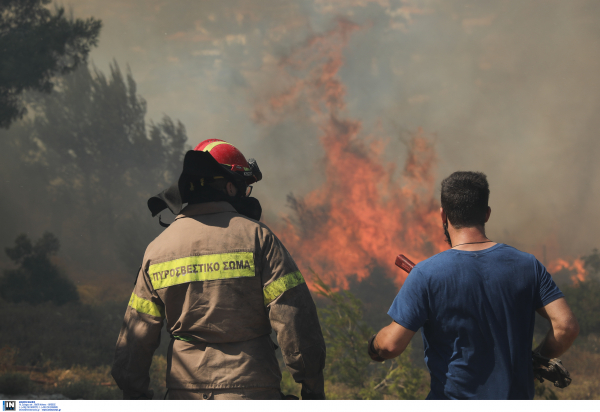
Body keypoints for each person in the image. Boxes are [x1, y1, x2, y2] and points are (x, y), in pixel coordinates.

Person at [111, 139, 326, 400]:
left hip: (184, 395)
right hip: (252, 391)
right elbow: (295, 320)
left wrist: (134, 395)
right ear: (228, 187)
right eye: (243, 188)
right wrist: (312, 387)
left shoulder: (158, 250)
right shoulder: (259, 239)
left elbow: (135, 336)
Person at [368, 171, 579, 399]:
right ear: (487, 214)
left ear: (443, 215)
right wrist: (536, 360)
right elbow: (566, 327)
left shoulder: (427, 274)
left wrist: (374, 345)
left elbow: (390, 345)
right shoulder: (528, 266)